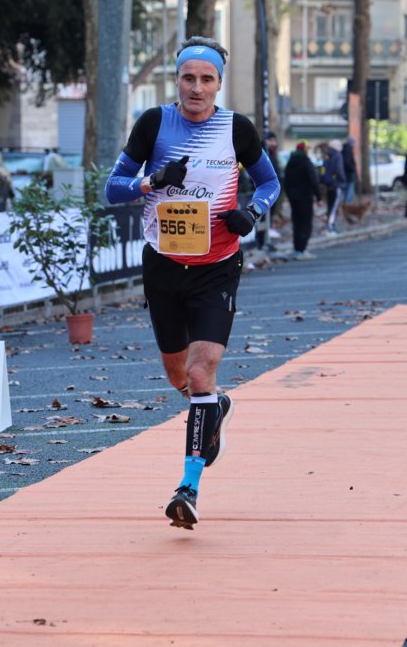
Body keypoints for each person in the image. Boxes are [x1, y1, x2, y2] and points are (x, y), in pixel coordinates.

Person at [104, 36, 280, 530]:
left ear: (219, 84)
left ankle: (188, 488)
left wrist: (252, 213)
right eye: (188, 78)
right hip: (163, 266)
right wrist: (151, 181)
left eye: (206, 79)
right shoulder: (154, 124)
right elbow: (112, 188)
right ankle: (215, 407)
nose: (196, 88)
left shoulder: (237, 129)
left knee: (201, 374)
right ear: (176, 81)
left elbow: (270, 183)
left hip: (217, 266)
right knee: (179, 376)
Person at [283, 141, 319, 260]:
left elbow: (286, 181)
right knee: (306, 223)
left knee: (296, 222)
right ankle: (302, 249)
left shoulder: (290, 162)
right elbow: (313, 180)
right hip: (305, 197)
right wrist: (318, 196)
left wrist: (289, 195)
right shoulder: (306, 162)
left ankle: (297, 249)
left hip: (293, 197)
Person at [323, 139, 345, 236]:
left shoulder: (327, 155)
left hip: (329, 184)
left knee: (330, 206)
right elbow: (339, 169)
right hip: (336, 184)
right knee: (334, 207)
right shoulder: (337, 155)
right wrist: (343, 179)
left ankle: (330, 226)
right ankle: (330, 228)